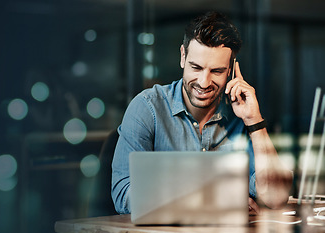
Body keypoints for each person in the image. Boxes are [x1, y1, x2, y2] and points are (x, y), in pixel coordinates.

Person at [111, 11, 293, 215]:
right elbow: (124, 196)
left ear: (231, 70)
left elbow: (275, 197)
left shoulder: (241, 116)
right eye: (196, 68)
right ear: (183, 56)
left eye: (216, 71)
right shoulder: (148, 108)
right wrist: (215, 199)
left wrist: (254, 122)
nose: (204, 82)